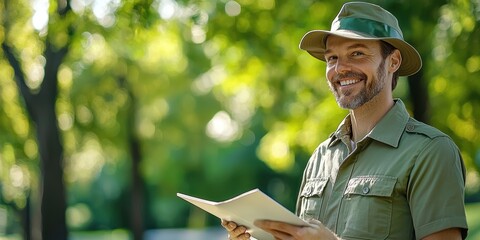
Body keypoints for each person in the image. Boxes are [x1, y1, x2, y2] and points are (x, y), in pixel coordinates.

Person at [221, 2, 469, 240]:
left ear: (393, 61)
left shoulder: (430, 151)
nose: (340, 69)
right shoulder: (320, 157)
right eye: (332, 58)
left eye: (357, 53)